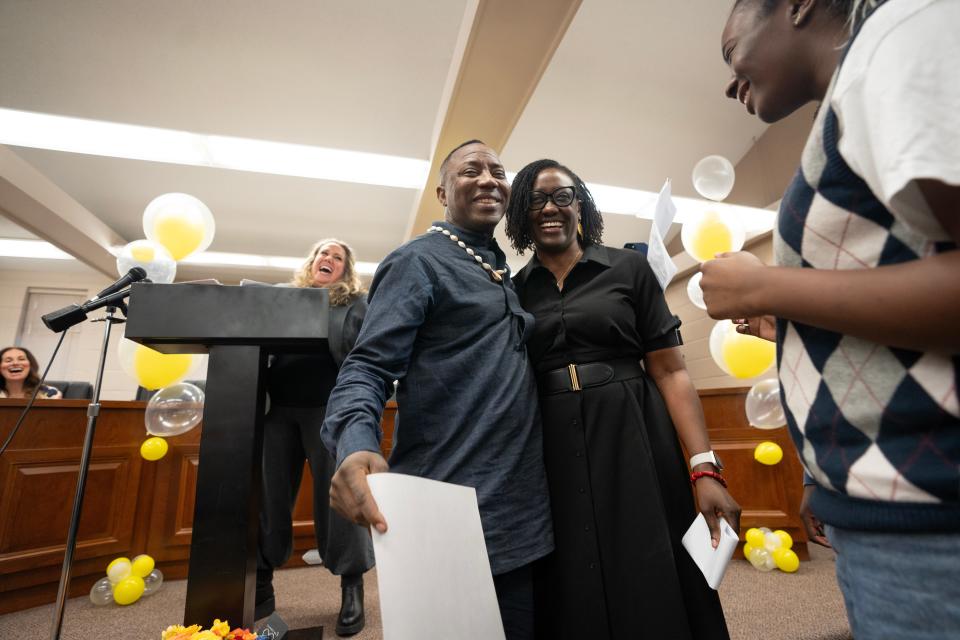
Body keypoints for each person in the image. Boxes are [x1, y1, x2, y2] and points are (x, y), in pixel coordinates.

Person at [701, 0, 960, 637]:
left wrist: (766, 284)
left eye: (732, 51)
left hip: (934, 520)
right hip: (882, 506)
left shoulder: (894, 37)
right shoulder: (848, 99)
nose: (731, 80)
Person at [321, 140, 553, 640]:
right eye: (472, 170)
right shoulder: (417, 262)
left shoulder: (499, 270)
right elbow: (367, 366)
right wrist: (355, 443)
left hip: (522, 510)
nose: (490, 178)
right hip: (450, 509)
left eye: (498, 170)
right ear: (442, 192)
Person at [504, 160, 739, 639]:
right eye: (535, 199)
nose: (549, 207)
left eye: (562, 196)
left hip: (634, 430)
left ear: (581, 206)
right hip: (551, 443)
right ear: (521, 215)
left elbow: (671, 371)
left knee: (649, 555)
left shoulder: (628, 269)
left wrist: (704, 468)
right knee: (570, 568)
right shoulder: (514, 289)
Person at [255, 239, 375, 637]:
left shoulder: (355, 303)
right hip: (277, 412)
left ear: (346, 269)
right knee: (268, 499)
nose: (328, 259)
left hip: (329, 411)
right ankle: (261, 581)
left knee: (340, 500)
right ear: (312, 262)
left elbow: (368, 355)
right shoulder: (284, 299)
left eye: (337, 257)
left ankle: (352, 585)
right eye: (323, 253)